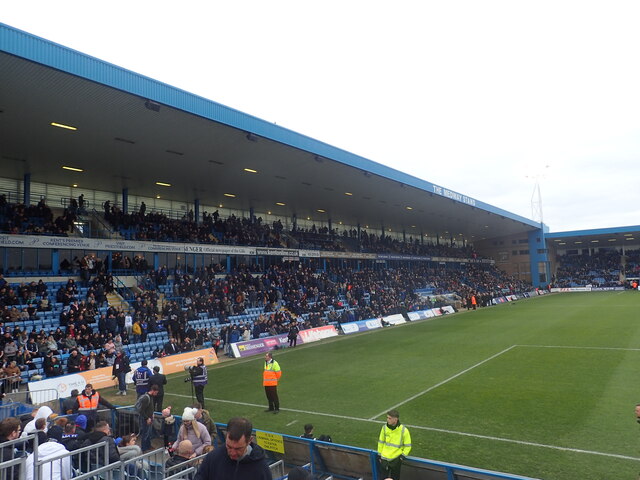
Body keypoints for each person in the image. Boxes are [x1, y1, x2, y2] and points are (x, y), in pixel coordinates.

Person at [194, 417, 271, 480]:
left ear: (249, 441)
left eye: (238, 449)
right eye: (229, 447)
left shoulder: (261, 468)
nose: (233, 453)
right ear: (226, 436)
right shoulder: (212, 458)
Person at [377, 409, 412, 480]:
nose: (387, 420)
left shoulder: (404, 430)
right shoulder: (384, 428)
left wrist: (401, 458)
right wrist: (379, 455)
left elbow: (408, 446)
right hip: (384, 459)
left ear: (395, 419)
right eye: (387, 418)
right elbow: (381, 442)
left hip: (396, 460)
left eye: (389, 418)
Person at [135, 384, 160, 452]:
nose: (156, 394)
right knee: (145, 434)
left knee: (148, 433)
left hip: (150, 417)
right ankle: (144, 448)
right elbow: (142, 410)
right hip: (146, 419)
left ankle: (148, 446)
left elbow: (149, 407)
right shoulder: (146, 398)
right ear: (153, 391)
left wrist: (152, 414)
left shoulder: (150, 397)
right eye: (156, 392)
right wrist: (147, 418)